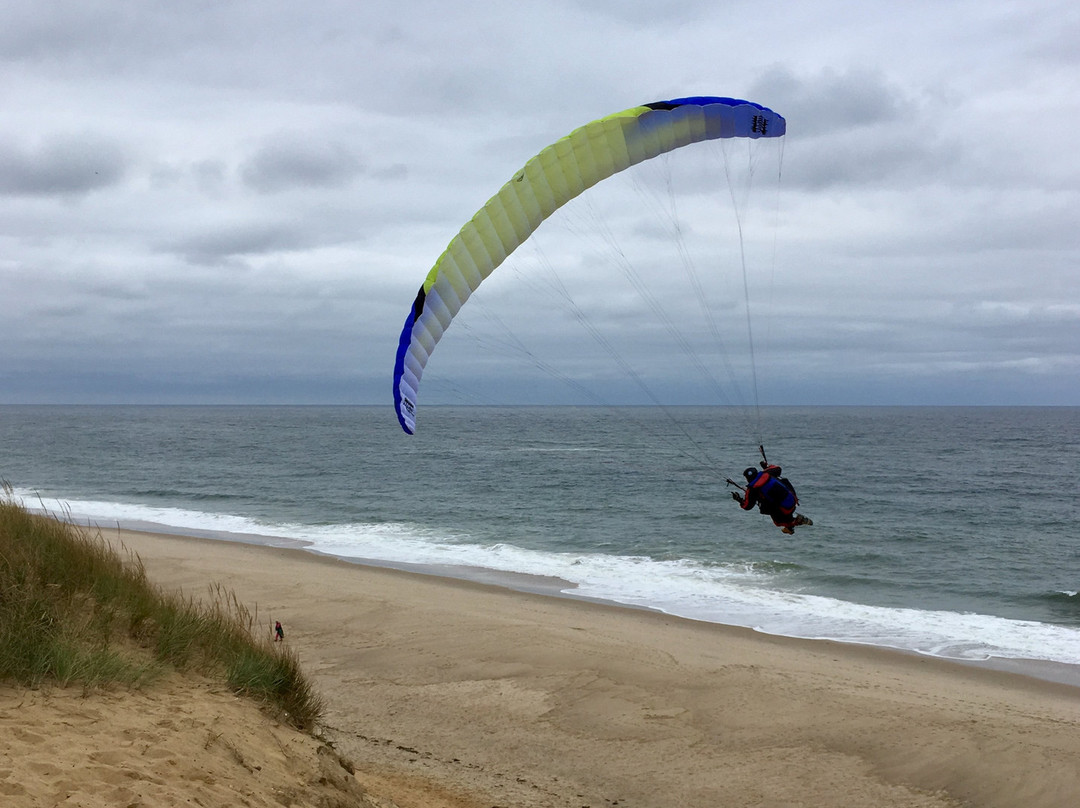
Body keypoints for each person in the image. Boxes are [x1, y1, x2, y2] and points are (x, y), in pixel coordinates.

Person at [731, 464, 812, 534]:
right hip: (793, 499)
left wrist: (739, 500)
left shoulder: (752, 489)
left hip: (784, 509)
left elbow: (747, 506)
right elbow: (778, 468)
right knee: (781, 483)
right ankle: (790, 528)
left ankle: (795, 522)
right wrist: (766, 467)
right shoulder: (767, 473)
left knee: (778, 522)